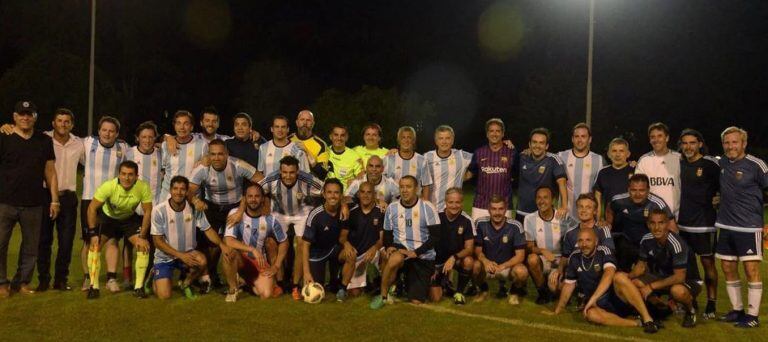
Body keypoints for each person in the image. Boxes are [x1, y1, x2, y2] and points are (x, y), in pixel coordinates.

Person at [544, 229, 659, 334]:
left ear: (596, 241)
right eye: (581, 241)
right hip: (600, 305)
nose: (584, 244)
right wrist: (557, 310)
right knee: (591, 315)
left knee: (619, 277)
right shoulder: (574, 257)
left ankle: (648, 319)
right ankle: (636, 323)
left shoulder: (604, 251)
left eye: (588, 240)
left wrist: (592, 299)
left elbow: (609, 275)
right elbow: (569, 285)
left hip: (618, 298)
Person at [0, 100, 59, 297]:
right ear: (14, 117)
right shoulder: (4, 136)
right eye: (21, 114)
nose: (25, 117)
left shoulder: (43, 141)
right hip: (5, 202)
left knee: (30, 246)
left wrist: (54, 199)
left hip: (34, 202)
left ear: (35, 117)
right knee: (1, 243)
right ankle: (1, 283)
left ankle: (22, 282)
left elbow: (50, 171)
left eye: (29, 114)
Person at [189, 139, 261, 291]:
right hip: (212, 206)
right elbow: (189, 191)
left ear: (227, 154)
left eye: (220, 154)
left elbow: (260, 180)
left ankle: (243, 277)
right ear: (208, 155)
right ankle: (210, 276)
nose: (216, 158)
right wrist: (195, 200)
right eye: (213, 154)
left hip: (234, 207)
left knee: (235, 244)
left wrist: (242, 208)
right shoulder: (202, 168)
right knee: (211, 245)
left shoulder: (238, 165)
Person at [714, 126, 766, 328]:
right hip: (726, 225)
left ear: (744, 143)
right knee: (727, 267)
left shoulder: (756, 165)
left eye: (734, 142)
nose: (730, 146)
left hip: (749, 227)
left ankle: (752, 316)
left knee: (751, 269)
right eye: (727, 142)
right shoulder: (722, 163)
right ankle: (737, 310)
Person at [151, 175, 233, 300]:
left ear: (187, 192)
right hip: (165, 257)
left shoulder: (195, 209)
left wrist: (222, 246)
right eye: (175, 188)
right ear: (170, 190)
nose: (178, 192)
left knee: (202, 261)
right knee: (164, 296)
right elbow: (157, 242)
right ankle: (153, 276)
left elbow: (208, 230)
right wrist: (180, 255)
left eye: (182, 189)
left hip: (188, 253)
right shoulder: (158, 210)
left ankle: (186, 283)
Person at [258, 156, 324, 299]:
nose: (288, 176)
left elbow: (328, 190)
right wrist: (264, 204)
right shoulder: (271, 179)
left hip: (302, 213)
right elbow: (255, 190)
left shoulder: (308, 179)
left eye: (292, 172)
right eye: (285, 172)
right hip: (279, 213)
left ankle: (295, 285)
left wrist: (343, 204)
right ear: (280, 171)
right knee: (271, 244)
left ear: (298, 172)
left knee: (301, 244)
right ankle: (280, 283)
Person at [370, 175, 441, 309]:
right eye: (402, 187)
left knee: (419, 300)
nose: (404, 190)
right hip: (400, 248)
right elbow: (387, 234)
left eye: (408, 187)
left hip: (422, 255)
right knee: (393, 259)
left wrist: (416, 252)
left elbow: (435, 237)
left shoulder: (427, 207)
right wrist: (390, 246)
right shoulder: (392, 208)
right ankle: (383, 295)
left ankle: (401, 283)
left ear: (417, 189)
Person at [85, 161, 152, 299]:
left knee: (143, 246)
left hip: (128, 219)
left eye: (130, 175)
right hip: (108, 219)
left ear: (136, 176)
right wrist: (92, 233)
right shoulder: (108, 186)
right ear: (119, 175)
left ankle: (139, 288)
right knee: (94, 246)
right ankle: (94, 286)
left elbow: (147, 211)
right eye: (123, 174)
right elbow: (92, 208)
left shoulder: (142, 187)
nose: (126, 178)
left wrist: (143, 236)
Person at [80, 116, 129, 291]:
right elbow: (59, 138)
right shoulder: (87, 142)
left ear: (116, 134)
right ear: (98, 131)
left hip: (112, 202)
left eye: (111, 131)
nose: (107, 133)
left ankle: (111, 278)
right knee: (89, 241)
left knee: (112, 240)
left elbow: (142, 150)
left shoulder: (123, 147)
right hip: (89, 199)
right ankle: (88, 278)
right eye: (104, 130)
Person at [629, 209, 701, 328]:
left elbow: (679, 277)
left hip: (688, 280)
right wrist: (626, 277)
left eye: (661, 223)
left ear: (667, 224)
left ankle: (691, 310)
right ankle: (661, 307)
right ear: (648, 224)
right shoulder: (646, 239)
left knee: (677, 291)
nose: (656, 227)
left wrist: (650, 287)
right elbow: (641, 266)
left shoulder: (677, 244)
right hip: (663, 278)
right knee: (635, 282)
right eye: (652, 223)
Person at [37, 108, 83, 292]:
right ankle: (43, 280)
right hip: (45, 195)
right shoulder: (42, 139)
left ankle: (61, 280)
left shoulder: (78, 144)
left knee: (66, 242)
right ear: (53, 123)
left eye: (67, 121)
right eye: (59, 120)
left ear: (71, 124)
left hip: (68, 198)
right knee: (43, 240)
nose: (63, 124)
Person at [677, 128, 720, 319]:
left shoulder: (711, 164)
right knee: (685, 266)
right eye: (685, 143)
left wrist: (720, 199)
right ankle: (690, 299)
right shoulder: (679, 163)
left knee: (708, 263)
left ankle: (711, 303)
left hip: (704, 224)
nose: (688, 146)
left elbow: (726, 186)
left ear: (700, 144)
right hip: (682, 224)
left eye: (692, 142)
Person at [222, 183, 288, 301]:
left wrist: (276, 266)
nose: (253, 199)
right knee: (228, 252)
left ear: (263, 199)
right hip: (241, 260)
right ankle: (233, 290)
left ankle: (246, 283)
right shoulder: (235, 214)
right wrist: (252, 249)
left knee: (266, 294)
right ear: (245, 198)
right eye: (250, 196)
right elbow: (229, 241)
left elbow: (284, 242)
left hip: (259, 263)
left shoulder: (270, 220)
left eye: (257, 196)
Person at [606, 173, 677, 272]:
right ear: (628, 189)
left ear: (648, 191)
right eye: (634, 190)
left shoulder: (657, 203)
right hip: (625, 244)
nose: (637, 194)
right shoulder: (618, 200)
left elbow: (672, 227)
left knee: (650, 274)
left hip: (648, 244)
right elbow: (610, 208)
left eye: (642, 190)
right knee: (620, 271)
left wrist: (669, 248)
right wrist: (608, 222)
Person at [123, 121, 163, 289]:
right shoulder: (129, 153)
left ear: (155, 138)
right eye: (143, 137)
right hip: (132, 207)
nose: (147, 140)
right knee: (129, 243)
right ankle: (127, 277)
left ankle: (148, 276)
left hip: (153, 207)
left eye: (150, 137)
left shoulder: (161, 154)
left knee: (151, 244)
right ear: (137, 138)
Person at [524, 186, 576, 304]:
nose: (542, 201)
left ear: (553, 200)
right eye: (538, 198)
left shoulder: (563, 217)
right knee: (532, 259)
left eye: (545, 197)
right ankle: (543, 293)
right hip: (543, 259)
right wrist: (542, 250)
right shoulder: (529, 219)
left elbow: (578, 231)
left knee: (556, 289)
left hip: (560, 261)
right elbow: (529, 247)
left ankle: (559, 288)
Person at [472, 196, 528, 305]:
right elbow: (477, 250)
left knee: (522, 272)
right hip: (488, 266)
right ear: (489, 210)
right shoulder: (480, 223)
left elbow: (520, 256)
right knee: (474, 266)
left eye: (500, 209)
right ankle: (484, 290)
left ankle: (514, 292)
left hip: (507, 267)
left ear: (505, 209)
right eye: (494, 209)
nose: (497, 212)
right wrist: (486, 262)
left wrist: (503, 266)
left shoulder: (515, 226)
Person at [556, 193, 615, 293]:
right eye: (580, 207)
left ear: (595, 211)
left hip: (597, 273)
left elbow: (609, 254)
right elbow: (565, 257)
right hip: (577, 272)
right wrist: (559, 270)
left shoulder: (602, 229)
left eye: (588, 207)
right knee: (554, 285)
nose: (583, 210)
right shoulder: (570, 233)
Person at [302, 179, 347, 301]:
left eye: (336, 192)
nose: (333, 196)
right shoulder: (315, 215)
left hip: (334, 249)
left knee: (349, 253)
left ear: (341, 195)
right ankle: (322, 278)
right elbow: (305, 245)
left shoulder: (344, 210)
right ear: (324, 194)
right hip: (316, 253)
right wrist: (306, 272)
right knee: (316, 286)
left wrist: (344, 204)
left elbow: (362, 198)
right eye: (329, 192)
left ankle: (337, 282)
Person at [339, 182, 384, 299]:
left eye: (369, 192)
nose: (366, 195)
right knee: (354, 293)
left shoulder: (381, 212)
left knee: (385, 253)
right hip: (355, 255)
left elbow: (382, 238)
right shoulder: (351, 211)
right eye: (363, 192)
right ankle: (348, 284)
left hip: (372, 253)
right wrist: (346, 244)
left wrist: (375, 248)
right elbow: (342, 236)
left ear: (374, 194)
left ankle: (383, 284)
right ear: (358, 194)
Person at [429, 188, 474, 305]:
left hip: (455, 260)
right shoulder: (435, 217)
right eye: (451, 202)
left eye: (457, 202)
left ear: (462, 203)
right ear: (445, 202)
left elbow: (469, 248)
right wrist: (431, 266)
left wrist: (454, 257)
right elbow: (427, 242)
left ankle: (459, 293)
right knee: (436, 298)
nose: (454, 206)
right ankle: (443, 280)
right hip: (435, 261)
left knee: (468, 261)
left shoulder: (467, 220)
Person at [466, 118, 516, 224]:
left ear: (503, 134)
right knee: (478, 239)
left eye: (498, 131)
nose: (494, 134)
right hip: (481, 205)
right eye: (491, 131)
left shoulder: (512, 152)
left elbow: (519, 172)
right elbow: (469, 174)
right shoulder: (479, 152)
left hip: (504, 206)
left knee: (504, 239)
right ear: (487, 134)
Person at [517, 127, 567, 222]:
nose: (537, 145)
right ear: (529, 144)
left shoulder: (553, 160)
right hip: (522, 212)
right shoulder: (522, 157)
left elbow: (562, 183)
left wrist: (564, 206)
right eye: (534, 142)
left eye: (541, 143)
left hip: (544, 213)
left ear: (547, 146)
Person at [159, 110, 208, 200]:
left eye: (186, 124)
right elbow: (162, 171)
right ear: (174, 126)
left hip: (192, 198)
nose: (182, 127)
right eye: (178, 123)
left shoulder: (202, 145)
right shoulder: (165, 145)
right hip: (167, 197)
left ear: (191, 127)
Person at [558, 123, 604, 218]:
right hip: (566, 216)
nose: (580, 140)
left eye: (583, 136)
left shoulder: (598, 160)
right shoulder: (561, 156)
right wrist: (528, 152)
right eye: (576, 136)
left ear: (589, 139)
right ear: (572, 139)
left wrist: (631, 164)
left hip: (589, 217)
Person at [636, 122, 681, 216]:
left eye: (659, 136)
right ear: (649, 140)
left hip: (677, 216)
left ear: (667, 138)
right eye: (652, 137)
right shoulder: (644, 160)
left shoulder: (679, 158)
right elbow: (639, 189)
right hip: (652, 216)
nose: (656, 139)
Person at [424, 125, 473, 212]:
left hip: (453, 210)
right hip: (432, 210)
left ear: (452, 140)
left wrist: (503, 145)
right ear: (436, 141)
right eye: (441, 138)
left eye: (447, 138)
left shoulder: (461, 156)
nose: (444, 141)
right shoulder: (427, 157)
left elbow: (483, 157)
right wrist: (396, 152)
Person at [382, 126, 432, 199]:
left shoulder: (422, 160)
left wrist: (425, 203)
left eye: (409, 137)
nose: (406, 140)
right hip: (393, 203)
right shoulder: (389, 159)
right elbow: (380, 180)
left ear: (413, 140)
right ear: (399, 140)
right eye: (403, 137)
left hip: (415, 204)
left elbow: (426, 185)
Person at [594, 138, 634, 220]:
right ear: (609, 154)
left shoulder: (636, 171)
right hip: (609, 222)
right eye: (614, 151)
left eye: (621, 151)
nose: (618, 154)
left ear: (628, 154)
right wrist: (598, 220)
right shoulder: (603, 172)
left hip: (631, 220)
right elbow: (597, 198)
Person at [289, 109, 330, 178]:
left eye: (308, 120)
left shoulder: (321, 144)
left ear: (313, 124)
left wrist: (307, 152)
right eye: (302, 119)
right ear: (297, 122)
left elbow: (323, 173)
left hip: (310, 185)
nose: (305, 123)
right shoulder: (288, 140)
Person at [326, 125, 364, 190]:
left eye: (342, 135)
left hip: (345, 196)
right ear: (330, 137)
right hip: (327, 194)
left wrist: (355, 181)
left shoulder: (354, 156)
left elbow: (361, 175)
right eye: (336, 135)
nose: (339, 138)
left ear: (346, 138)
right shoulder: (324, 152)